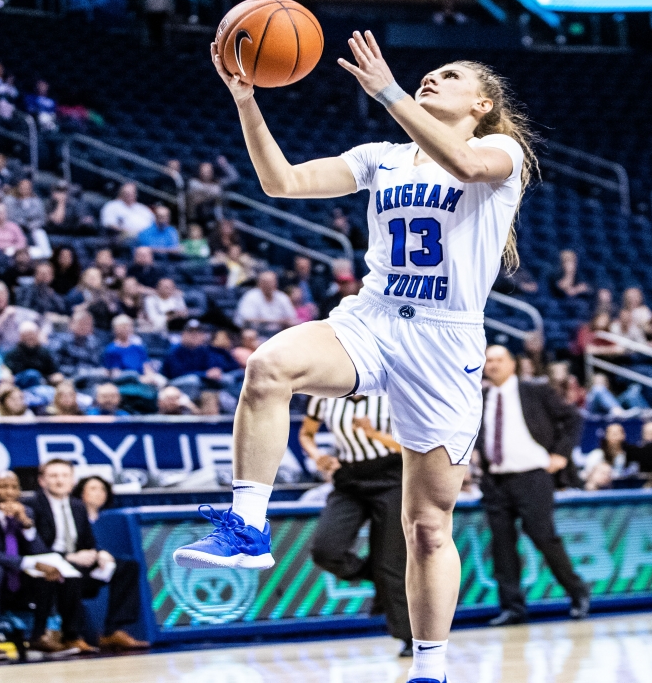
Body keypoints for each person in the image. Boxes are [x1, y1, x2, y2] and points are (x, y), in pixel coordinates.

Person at [173, 42, 536, 683]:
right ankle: (247, 525)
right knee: (268, 367)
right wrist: (247, 102)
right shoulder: (382, 159)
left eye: (449, 76)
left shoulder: (503, 156)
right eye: (430, 73)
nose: (432, 77)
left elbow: (461, 159)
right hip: (370, 319)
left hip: (445, 344)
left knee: (427, 525)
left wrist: (390, 93)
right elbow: (280, 183)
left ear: (481, 104)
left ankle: (430, 668)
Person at [475, 344, 588, 627]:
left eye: (499, 359)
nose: (493, 365)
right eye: (489, 360)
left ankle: (577, 591)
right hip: (495, 480)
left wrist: (561, 454)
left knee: (543, 536)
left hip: (532, 476)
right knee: (502, 546)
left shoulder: (534, 391)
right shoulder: (480, 397)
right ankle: (513, 607)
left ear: (512, 364)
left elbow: (573, 417)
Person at [300, 394, 412, 655]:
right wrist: (318, 455)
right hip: (348, 477)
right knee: (325, 550)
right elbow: (307, 433)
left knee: (391, 561)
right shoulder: (323, 396)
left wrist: (374, 434)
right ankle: (379, 576)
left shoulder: (391, 393)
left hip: (392, 476)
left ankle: (409, 638)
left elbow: (411, 445)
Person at [0, 471, 76, 660]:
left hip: (12, 570)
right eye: (3, 486)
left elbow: (39, 552)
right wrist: (27, 563)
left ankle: (39, 636)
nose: (9, 492)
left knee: (48, 573)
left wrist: (26, 525)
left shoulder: (26, 512)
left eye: (14, 487)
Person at [31, 460, 147, 651]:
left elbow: (88, 541)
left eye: (64, 476)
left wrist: (99, 553)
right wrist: (68, 557)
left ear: (72, 480)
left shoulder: (77, 506)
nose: (60, 481)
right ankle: (71, 636)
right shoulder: (33, 505)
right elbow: (33, 544)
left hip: (79, 562)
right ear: (42, 481)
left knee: (127, 566)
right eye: (54, 476)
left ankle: (113, 630)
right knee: (72, 570)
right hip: (49, 566)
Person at [233, 270, 298, 337]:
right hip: (257, 334)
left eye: (272, 282)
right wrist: (279, 321)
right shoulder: (250, 296)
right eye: (266, 283)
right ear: (259, 284)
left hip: (278, 334)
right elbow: (247, 320)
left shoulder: (282, 297)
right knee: (249, 334)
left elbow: (292, 319)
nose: (270, 285)